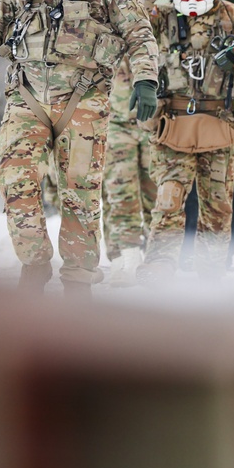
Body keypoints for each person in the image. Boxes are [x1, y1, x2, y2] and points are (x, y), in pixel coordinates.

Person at [0, 0, 159, 295]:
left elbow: (139, 32)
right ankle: (34, 265)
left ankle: (78, 280)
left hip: (84, 99)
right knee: (15, 182)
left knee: (81, 193)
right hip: (26, 95)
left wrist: (146, 79)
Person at [139, 0, 234, 279]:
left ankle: (209, 276)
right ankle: (159, 268)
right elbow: (124, 23)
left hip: (220, 124)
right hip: (173, 125)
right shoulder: (163, 17)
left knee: (218, 209)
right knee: (169, 201)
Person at [102, 35, 158, 286]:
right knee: (119, 190)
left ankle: (156, 257)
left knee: (155, 191)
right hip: (112, 121)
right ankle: (124, 256)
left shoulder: (150, 12)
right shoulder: (101, 8)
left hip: (151, 120)